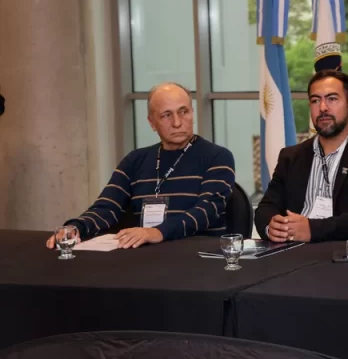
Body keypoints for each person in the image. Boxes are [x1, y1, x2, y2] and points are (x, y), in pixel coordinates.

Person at [45, 83, 235, 250]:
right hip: (144, 257)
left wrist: (157, 232)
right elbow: (106, 208)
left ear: (192, 114)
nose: (177, 123)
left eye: (183, 112)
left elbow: (206, 212)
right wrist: (76, 227)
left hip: (196, 255)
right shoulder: (135, 160)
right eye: (166, 115)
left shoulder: (217, 157)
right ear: (152, 123)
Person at [255, 71, 348, 243]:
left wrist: (312, 229)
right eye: (315, 100)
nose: (322, 108)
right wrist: (271, 226)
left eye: (332, 99)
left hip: (344, 254)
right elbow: (266, 206)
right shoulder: (291, 156)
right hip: (292, 251)